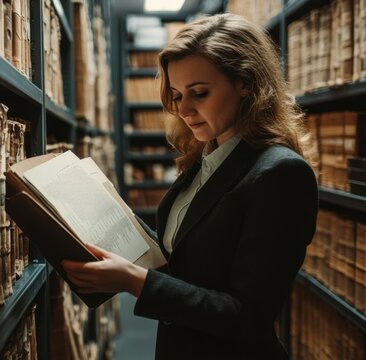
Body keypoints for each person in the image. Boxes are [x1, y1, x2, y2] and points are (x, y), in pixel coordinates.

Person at [62, 13, 318, 359]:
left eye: (199, 93)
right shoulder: (206, 156)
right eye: (177, 94)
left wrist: (134, 281)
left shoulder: (281, 174)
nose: (184, 109)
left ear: (246, 83)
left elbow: (247, 316)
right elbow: (188, 251)